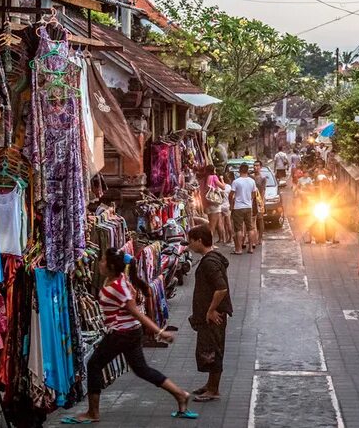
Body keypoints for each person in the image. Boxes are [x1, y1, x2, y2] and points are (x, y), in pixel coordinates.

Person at [66, 247, 198, 423]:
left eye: (103, 260)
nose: (100, 263)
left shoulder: (117, 286)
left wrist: (159, 332)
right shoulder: (117, 279)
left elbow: (136, 312)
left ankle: (93, 412)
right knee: (142, 369)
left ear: (111, 266)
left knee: (94, 365)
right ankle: (180, 395)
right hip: (128, 332)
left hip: (122, 334)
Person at [188, 225, 233, 403]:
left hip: (214, 317)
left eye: (191, 241)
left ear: (199, 241)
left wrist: (211, 309)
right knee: (209, 348)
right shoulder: (213, 258)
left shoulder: (209, 263)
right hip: (210, 315)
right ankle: (210, 385)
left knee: (213, 349)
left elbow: (221, 288)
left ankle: (213, 389)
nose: (189, 244)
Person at [229, 163, 257, 255]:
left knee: (238, 229)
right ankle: (250, 248)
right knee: (250, 228)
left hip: (238, 207)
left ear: (240, 171)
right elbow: (254, 193)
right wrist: (250, 199)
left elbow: (231, 194)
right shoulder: (252, 181)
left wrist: (231, 203)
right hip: (248, 207)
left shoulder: (236, 182)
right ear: (247, 171)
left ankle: (239, 249)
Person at [201, 165, 225, 246]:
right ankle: (210, 243)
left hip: (208, 203)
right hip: (214, 203)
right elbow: (223, 187)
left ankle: (211, 242)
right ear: (213, 170)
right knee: (212, 226)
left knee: (211, 223)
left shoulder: (204, 179)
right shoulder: (214, 177)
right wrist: (221, 179)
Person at [252, 160, 267, 245]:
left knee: (260, 219)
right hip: (251, 201)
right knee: (251, 220)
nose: (255, 167)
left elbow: (263, 191)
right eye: (254, 166)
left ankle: (260, 237)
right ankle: (252, 237)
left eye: (257, 166)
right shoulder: (250, 177)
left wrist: (261, 202)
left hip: (259, 200)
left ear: (260, 167)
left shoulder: (263, 178)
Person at [220, 171, 234, 244]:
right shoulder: (229, 187)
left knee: (222, 223)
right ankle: (230, 238)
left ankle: (223, 238)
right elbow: (231, 196)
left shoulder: (218, 187)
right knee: (228, 223)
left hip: (220, 206)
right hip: (227, 206)